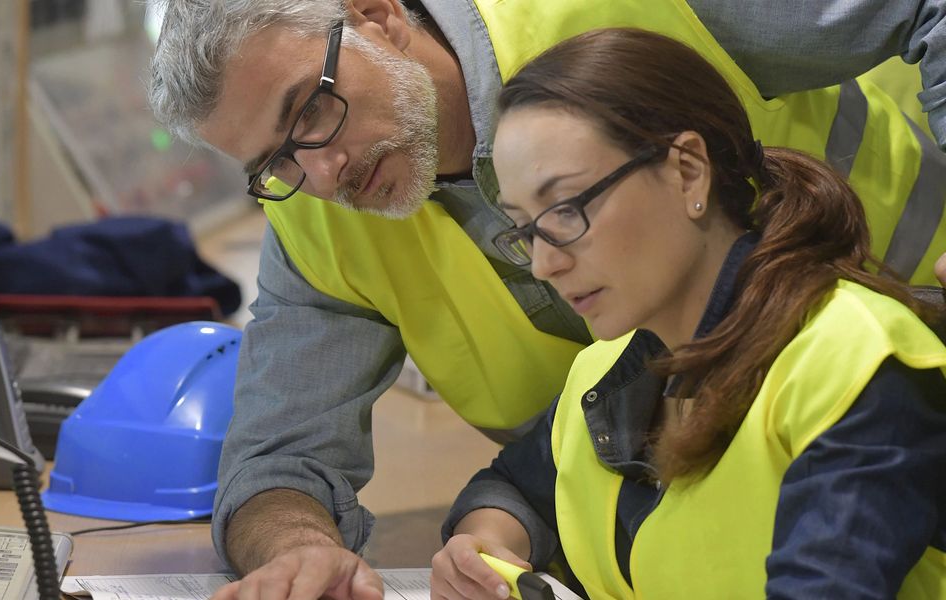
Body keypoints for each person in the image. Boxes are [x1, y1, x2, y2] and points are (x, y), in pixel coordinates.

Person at [146, 0, 946, 597]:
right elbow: (279, 462)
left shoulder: (856, 374)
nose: (321, 175)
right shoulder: (621, 364)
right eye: (276, 164)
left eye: (310, 111)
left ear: (375, 14)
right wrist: (296, 553)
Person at [431, 28, 946, 599]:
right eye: (524, 230)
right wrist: (482, 548)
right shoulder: (610, 370)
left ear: (688, 171)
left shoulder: (853, 362)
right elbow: (514, 486)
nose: (545, 264)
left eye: (566, 209)